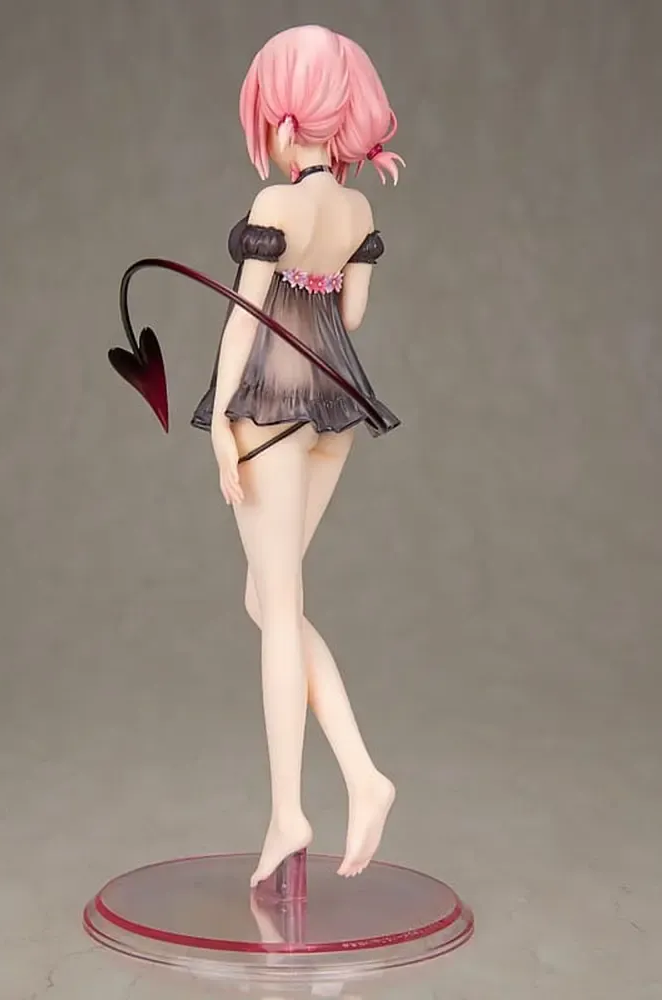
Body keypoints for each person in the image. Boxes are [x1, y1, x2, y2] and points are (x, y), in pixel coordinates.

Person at [190, 24, 404, 888]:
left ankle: (293, 810)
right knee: (268, 597)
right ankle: (361, 774)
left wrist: (218, 420)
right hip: (333, 411)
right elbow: (349, 318)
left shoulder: (275, 203)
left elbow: (244, 319)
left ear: (283, 118)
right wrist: (320, 271)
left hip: (271, 411)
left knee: (277, 609)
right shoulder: (358, 212)